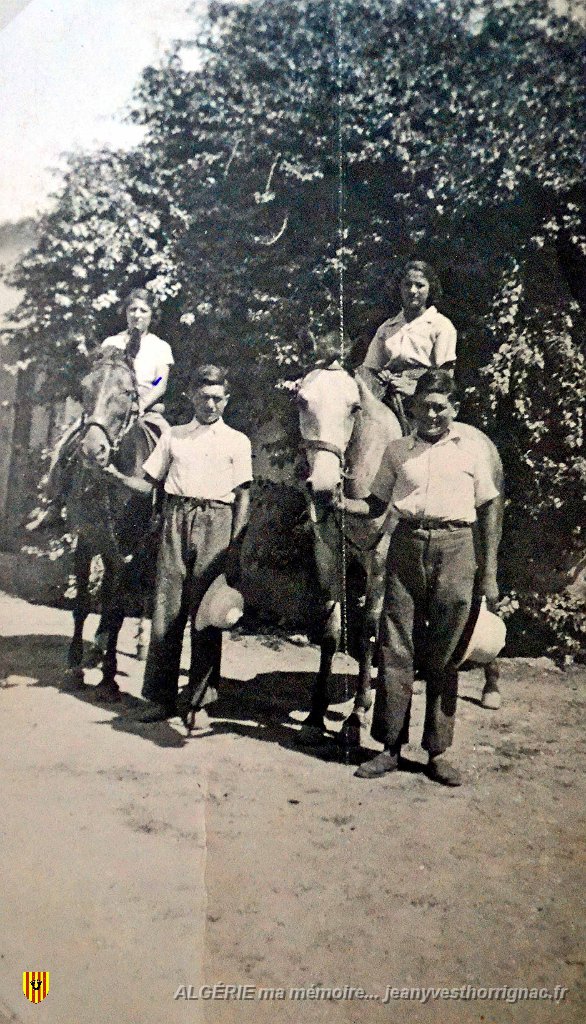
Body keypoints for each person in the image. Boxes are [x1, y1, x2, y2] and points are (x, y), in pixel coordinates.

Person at [345, 370, 501, 786]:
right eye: (424, 406)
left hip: (457, 547)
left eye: (439, 407)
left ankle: (436, 751)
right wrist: (334, 502)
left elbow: (489, 508)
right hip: (406, 546)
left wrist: (489, 571)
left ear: (454, 409)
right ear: (412, 409)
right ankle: (390, 748)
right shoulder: (397, 451)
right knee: (395, 647)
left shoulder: (472, 451)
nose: (431, 414)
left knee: (446, 652)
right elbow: (376, 504)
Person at [105, 364, 252, 723]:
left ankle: (199, 702)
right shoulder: (174, 436)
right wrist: (115, 476)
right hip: (175, 520)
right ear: (191, 397)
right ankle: (160, 698)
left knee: (207, 616)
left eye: (217, 398)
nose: (211, 405)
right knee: (166, 612)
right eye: (204, 398)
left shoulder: (238, 440)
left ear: (226, 400)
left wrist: (234, 546)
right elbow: (148, 484)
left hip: (217, 522)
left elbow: (244, 498)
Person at [27, 287, 173, 530]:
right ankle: (54, 504)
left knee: (170, 445)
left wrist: (142, 403)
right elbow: (101, 378)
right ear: (126, 313)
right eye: (132, 309)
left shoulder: (160, 347)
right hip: (108, 409)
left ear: (151, 315)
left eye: (143, 310)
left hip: (145, 408)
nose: (137, 314)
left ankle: (164, 512)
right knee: (65, 442)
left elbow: (160, 382)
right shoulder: (112, 342)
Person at [358, 261, 457, 434]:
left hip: (423, 400)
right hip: (386, 397)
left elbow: (445, 376)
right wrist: (379, 377)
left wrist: (414, 388)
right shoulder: (388, 327)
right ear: (400, 288)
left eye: (419, 285)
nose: (412, 291)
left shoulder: (440, 325)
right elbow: (369, 368)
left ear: (430, 289)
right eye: (407, 285)